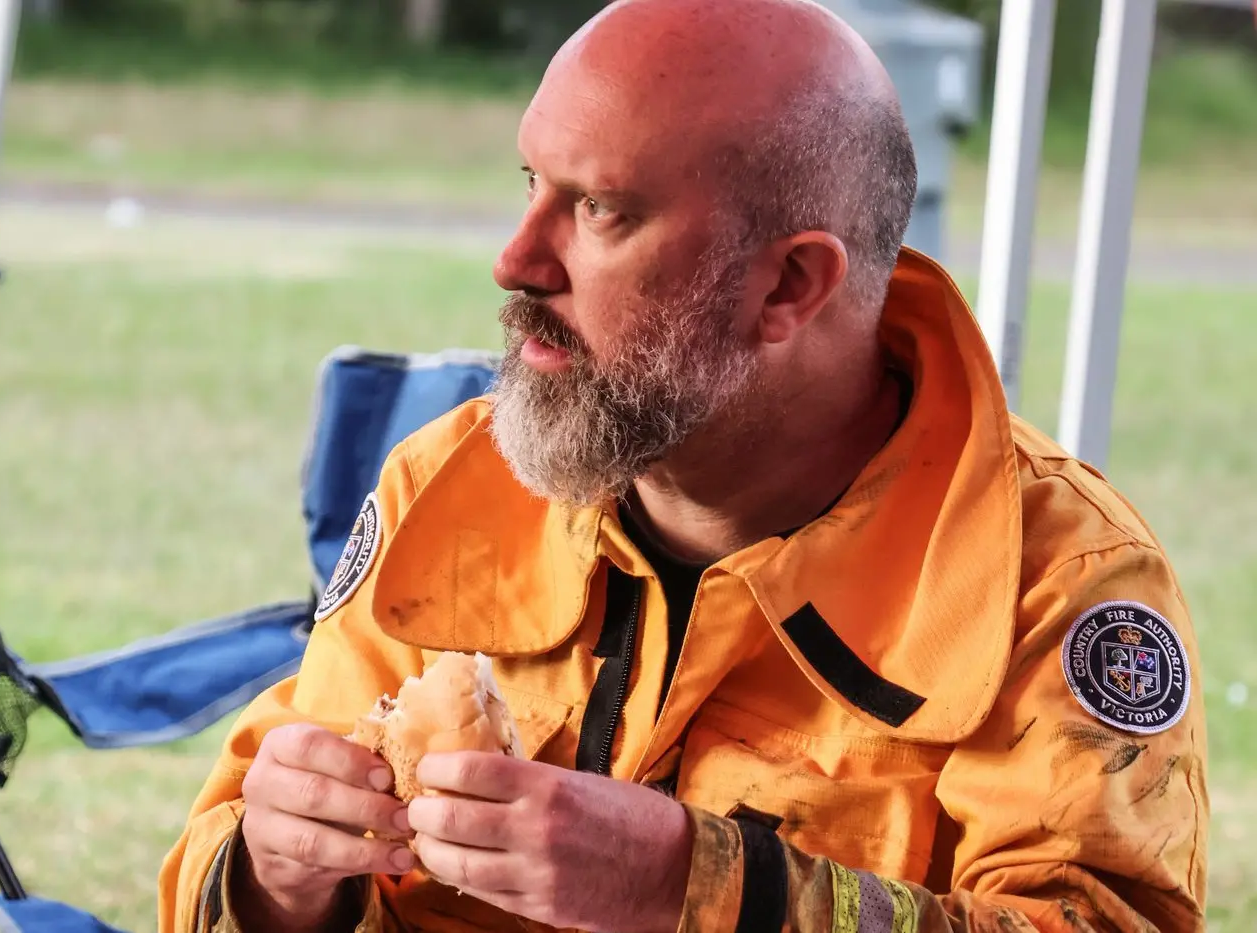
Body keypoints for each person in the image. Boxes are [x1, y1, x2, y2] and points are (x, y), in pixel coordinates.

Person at [158, 0, 1209, 930]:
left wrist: (699, 890)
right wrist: (277, 879)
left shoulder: (1053, 584)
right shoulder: (448, 486)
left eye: (596, 209)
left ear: (789, 286)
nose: (514, 260)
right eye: (530, 182)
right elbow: (229, 856)